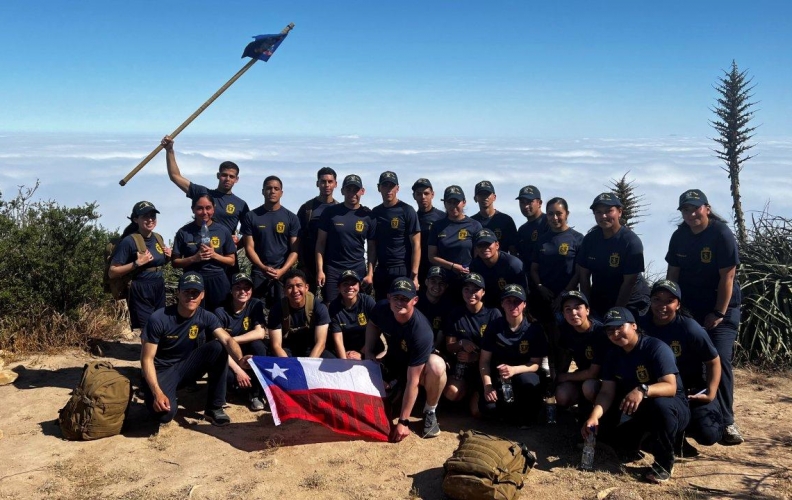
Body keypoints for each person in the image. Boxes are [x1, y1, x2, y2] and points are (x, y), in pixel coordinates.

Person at [665, 188, 742, 445]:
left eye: (695, 208)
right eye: (685, 209)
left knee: (719, 357)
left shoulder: (721, 234)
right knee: (684, 357)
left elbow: (727, 277)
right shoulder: (679, 236)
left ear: (706, 208)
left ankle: (728, 421)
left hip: (722, 306)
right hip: (689, 308)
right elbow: (672, 273)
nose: (691, 213)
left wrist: (719, 312)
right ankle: (692, 415)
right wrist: (669, 303)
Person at [582, 307, 690, 484]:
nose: (615, 333)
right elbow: (607, 391)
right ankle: (648, 440)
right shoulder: (612, 354)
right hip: (639, 411)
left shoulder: (656, 347)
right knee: (615, 441)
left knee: (660, 405)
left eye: (619, 327)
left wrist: (643, 389)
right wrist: (594, 417)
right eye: (610, 330)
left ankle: (664, 463)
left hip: (672, 409)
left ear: (633, 326)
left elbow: (670, 387)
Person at [141, 271, 249, 426]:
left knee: (218, 347)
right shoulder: (159, 318)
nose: (191, 296)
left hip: (186, 366)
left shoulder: (206, 316)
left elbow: (227, 339)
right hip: (161, 371)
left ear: (202, 295)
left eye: (195, 292)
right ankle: (155, 392)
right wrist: (157, 392)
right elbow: (146, 359)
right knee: (164, 415)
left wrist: (240, 359)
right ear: (178, 292)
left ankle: (214, 407)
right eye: (187, 291)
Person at [639, 279, 723, 456]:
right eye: (657, 299)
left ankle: (683, 428)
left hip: (691, 391)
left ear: (678, 304)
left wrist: (711, 392)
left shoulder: (689, 327)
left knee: (709, 434)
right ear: (650, 301)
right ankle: (667, 435)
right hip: (661, 389)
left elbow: (713, 360)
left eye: (669, 300)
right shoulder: (641, 325)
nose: (662, 305)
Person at [364, 277, 447, 441]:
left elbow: (413, 380)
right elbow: (373, 323)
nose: (399, 303)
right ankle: (397, 391)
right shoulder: (381, 308)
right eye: (396, 297)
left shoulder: (421, 331)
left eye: (405, 299)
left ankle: (430, 410)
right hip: (394, 361)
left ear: (415, 300)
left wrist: (403, 421)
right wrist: (368, 351)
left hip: (419, 370)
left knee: (436, 366)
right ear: (388, 298)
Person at [479, 284, 547, 426]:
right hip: (501, 379)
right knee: (488, 408)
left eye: (517, 301)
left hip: (524, 374)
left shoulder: (534, 329)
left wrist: (514, 369)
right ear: (502, 304)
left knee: (528, 383)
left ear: (524, 305)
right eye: (508, 301)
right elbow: (484, 361)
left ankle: (526, 415)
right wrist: (488, 386)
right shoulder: (494, 326)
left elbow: (535, 364)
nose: (513, 305)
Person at [577, 193, 649, 318]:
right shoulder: (590, 239)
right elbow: (584, 276)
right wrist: (586, 307)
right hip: (600, 299)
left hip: (631, 303)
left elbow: (629, 284)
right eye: (598, 212)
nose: (603, 216)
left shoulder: (630, 242)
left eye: (608, 211)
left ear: (619, 212)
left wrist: (616, 314)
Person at [161, 136, 249, 237]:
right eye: (224, 175)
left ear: (236, 179)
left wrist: (237, 243)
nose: (227, 179)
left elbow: (249, 232)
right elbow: (175, 176)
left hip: (224, 251)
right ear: (218, 176)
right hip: (199, 248)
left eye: (231, 176)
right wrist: (169, 150)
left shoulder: (241, 204)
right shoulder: (203, 194)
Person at [443, 273, 502, 415]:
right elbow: (450, 347)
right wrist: (461, 343)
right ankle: (466, 394)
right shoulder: (455, 314)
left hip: (487, 370)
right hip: (463, 369)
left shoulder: (493, 314)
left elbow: (501, 349)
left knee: (477, 412)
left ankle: (476, 394)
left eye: (475, 290)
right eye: (466, 289)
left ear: (483, 292)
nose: (471, 294)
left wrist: (476, 357)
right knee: (452, 392)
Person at [109, 201, 171, 330]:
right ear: (135, 219)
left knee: (160, 324)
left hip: (158, 285)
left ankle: (155, 350)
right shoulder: (129, 241)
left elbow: (155, 264)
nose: (150, 220)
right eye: (145, 216)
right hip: (140, 287)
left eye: (153, 216)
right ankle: (147, 350)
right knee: (147, 328)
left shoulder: (158, 238)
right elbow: (112, 271)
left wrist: (168, 257)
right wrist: (136, 263)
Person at [241, 175, 300, 309]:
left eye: (276, 188)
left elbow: (295, 250)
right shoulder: (251, 216)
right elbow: (249, 247)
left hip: (282, 273)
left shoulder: (291, 218)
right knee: (256, 311)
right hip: (259, 273)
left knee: (283, 311)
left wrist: (282, 271)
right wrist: (262, 267)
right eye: (268, 188)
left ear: (281, 192)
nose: (272, 191)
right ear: (263, 191)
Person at [315, 174, 376, 304]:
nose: (352, 193)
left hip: (358, 268)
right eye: (349, 189)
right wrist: (320, 270)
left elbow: (371, 248)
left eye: (356, 189)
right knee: (330, 307)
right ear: (342, 191)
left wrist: (370, 274)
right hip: (333, 269)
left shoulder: (368, 215)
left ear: (362, 191)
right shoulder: (330, 212)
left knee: (357, 306)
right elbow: (320, 244)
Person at [214, 273, 268, 412]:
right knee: (230, 378)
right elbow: (219, 345)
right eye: (238, 287)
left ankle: (257, 394)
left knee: (258, 346)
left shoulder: (255, 304)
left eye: (247, 288)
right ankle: (236, 391)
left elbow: (260, 333)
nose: (243, 291)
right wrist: (238, 370)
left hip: (247, 352)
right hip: (229, 355)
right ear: (231, 290)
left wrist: (231, 340)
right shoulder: (220, 311)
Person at [172, 194, 236, 311]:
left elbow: (231, 261)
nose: (204, 212)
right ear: (193, 209)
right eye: (200, 208)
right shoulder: (183, 232)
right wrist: (194, 258)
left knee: (220, 315)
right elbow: (175, 262)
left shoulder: (223, 230)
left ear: (214, 208)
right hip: (193, 280)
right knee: (195, 317)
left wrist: (214, 255)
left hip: (218, 280)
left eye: (208, 208)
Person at [530, 197, 584, 319]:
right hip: (544, 298)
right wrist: (540, 287)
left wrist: (564, 294)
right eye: (550, 214)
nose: (554, 218)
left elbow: (579, 272)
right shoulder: (542, 240)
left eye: (559, 213)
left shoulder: (577, 239)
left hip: (568, 300)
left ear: (567, 214)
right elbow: (534, 268)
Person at [554, 291, 607, 414]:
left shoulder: (600, 333)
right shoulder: (566, 331)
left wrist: (565, 376)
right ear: (563, 314)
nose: (573, 313)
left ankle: (601, 412)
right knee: (562, 394)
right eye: (568, 309)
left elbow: (594, 373)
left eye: (578, 307)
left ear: (587, 310)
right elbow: (565, 357)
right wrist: (557, 379)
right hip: (583, 376)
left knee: (589, 387)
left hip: (603, 381)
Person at [371, 171, 421, 299]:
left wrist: (414, 275)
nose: (388, 190)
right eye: (385, 185)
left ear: (397, 188)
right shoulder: (375, 212)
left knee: (401, 307)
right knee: (382, 308)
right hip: (382, 269)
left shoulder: (407, 210)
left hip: (402, 269)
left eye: (391, 186)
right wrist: (370, 272)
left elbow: (416, 245)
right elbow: (373, 245)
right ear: (379, 188)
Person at [428, 185, 483, 295]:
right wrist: (452, 266)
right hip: (443, 281)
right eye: (450, 202)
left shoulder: (474, 225)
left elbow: (479, 256)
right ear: (445, 204)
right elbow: (432, 256)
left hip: (468, 281)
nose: (453, 206)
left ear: (464, 202)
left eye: (456, 202)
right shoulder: (437, 226)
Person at [266, 269, 333, 358]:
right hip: (287, 349)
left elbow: (320, 343)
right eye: (290, 287)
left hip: (312, 348)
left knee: (331, 359)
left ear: (306, 287)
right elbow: (276, 346)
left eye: (299, 286)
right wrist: (289, 366)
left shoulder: (319, 306)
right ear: (284, 290)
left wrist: (309, 364)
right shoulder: (277, 309)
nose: (295, 291)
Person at [297, 167, 338, 291]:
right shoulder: (307, 209)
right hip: (308, 266)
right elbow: (298, 239)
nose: (326, 185)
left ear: (335, 184)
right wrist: (302, 264)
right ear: (317, 183)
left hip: (332, 266)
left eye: (330, 182)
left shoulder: (339, 210)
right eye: (323, 181)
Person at [469, 228, 526, 309]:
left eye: (488, 244)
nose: (484, 248)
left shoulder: (513, 264)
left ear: (497, 245)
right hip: (487, 308)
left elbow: (523, 294)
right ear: (476, 248)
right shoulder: (475, 265)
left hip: (511, 307)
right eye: (480, 245)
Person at [328, 269, 377, 360]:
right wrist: (344, 360)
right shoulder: (334, 307)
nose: (350, 287)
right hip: (345, 347)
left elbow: (376, 330)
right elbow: (337, 338)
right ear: (339, 287)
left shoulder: (367, 301)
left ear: (359, 286)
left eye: (353, 283)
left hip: (366, 345)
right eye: (345, 284)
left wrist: (361, 353)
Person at [412, 178, 445, 284]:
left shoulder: (442, 218)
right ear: (414, 196)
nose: (423, 197)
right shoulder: (412, 218)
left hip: (438, 271)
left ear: (432, 194)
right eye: (419, 194)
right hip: (417, 270)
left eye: (426, 193)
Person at [471, 180, 518, 254]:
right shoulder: (471, 222)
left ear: (494, 197)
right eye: (481, 194)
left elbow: (513, 250)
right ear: (475, 198)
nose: (485, 197)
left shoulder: (506, 220)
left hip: (501, 264)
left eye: (487, 194)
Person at [416, 266, 454, 350]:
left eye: (441, 283)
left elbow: (442, 332)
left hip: (433, 347)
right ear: (426, 282)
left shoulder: (447, 306)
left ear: (446, 286)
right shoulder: (415, 300)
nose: (437, 286)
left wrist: (433, 349)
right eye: (433, 281)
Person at [515, 185, 549, 273]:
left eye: (529, 202)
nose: (526, 206)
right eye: (522, 202)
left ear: (539, 203)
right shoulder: (522, 230)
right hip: (529, 282)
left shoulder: (549, 222)